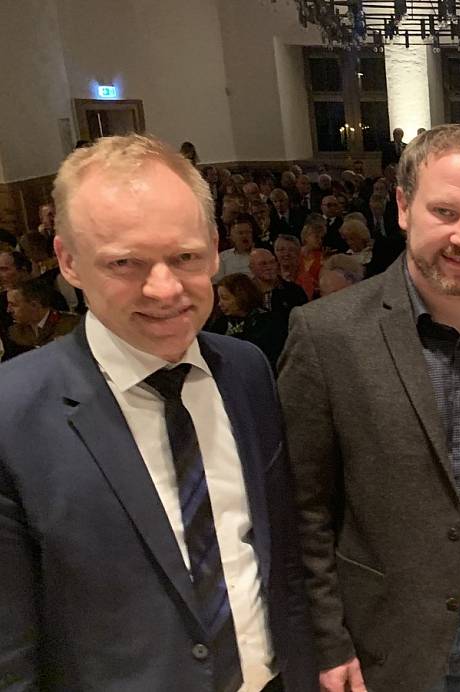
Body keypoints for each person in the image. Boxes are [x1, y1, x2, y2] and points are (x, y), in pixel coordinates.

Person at [0, 134, 314, 690]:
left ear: (216, 249)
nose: (165, 289)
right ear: (68, 261)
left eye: (186, 257)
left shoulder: (247, 371)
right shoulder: (12, 414)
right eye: (126, 262)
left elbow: (272, 546)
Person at [278, 123, 460, 692]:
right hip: (378, 636)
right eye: (445, 212)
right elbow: (303, 508)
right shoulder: (327, 334)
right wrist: (328, 640)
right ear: (404, 207)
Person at [208, 272, 289, 365]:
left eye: (225, 298)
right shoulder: (220, 321)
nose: (220, 304)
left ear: (241, 296)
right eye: (219, 299)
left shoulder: (269, 322)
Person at [2, 278, 79, 359]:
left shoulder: (71, 326)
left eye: (13, 305)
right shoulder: (14, 333)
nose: (8, 310)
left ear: (34, 305)